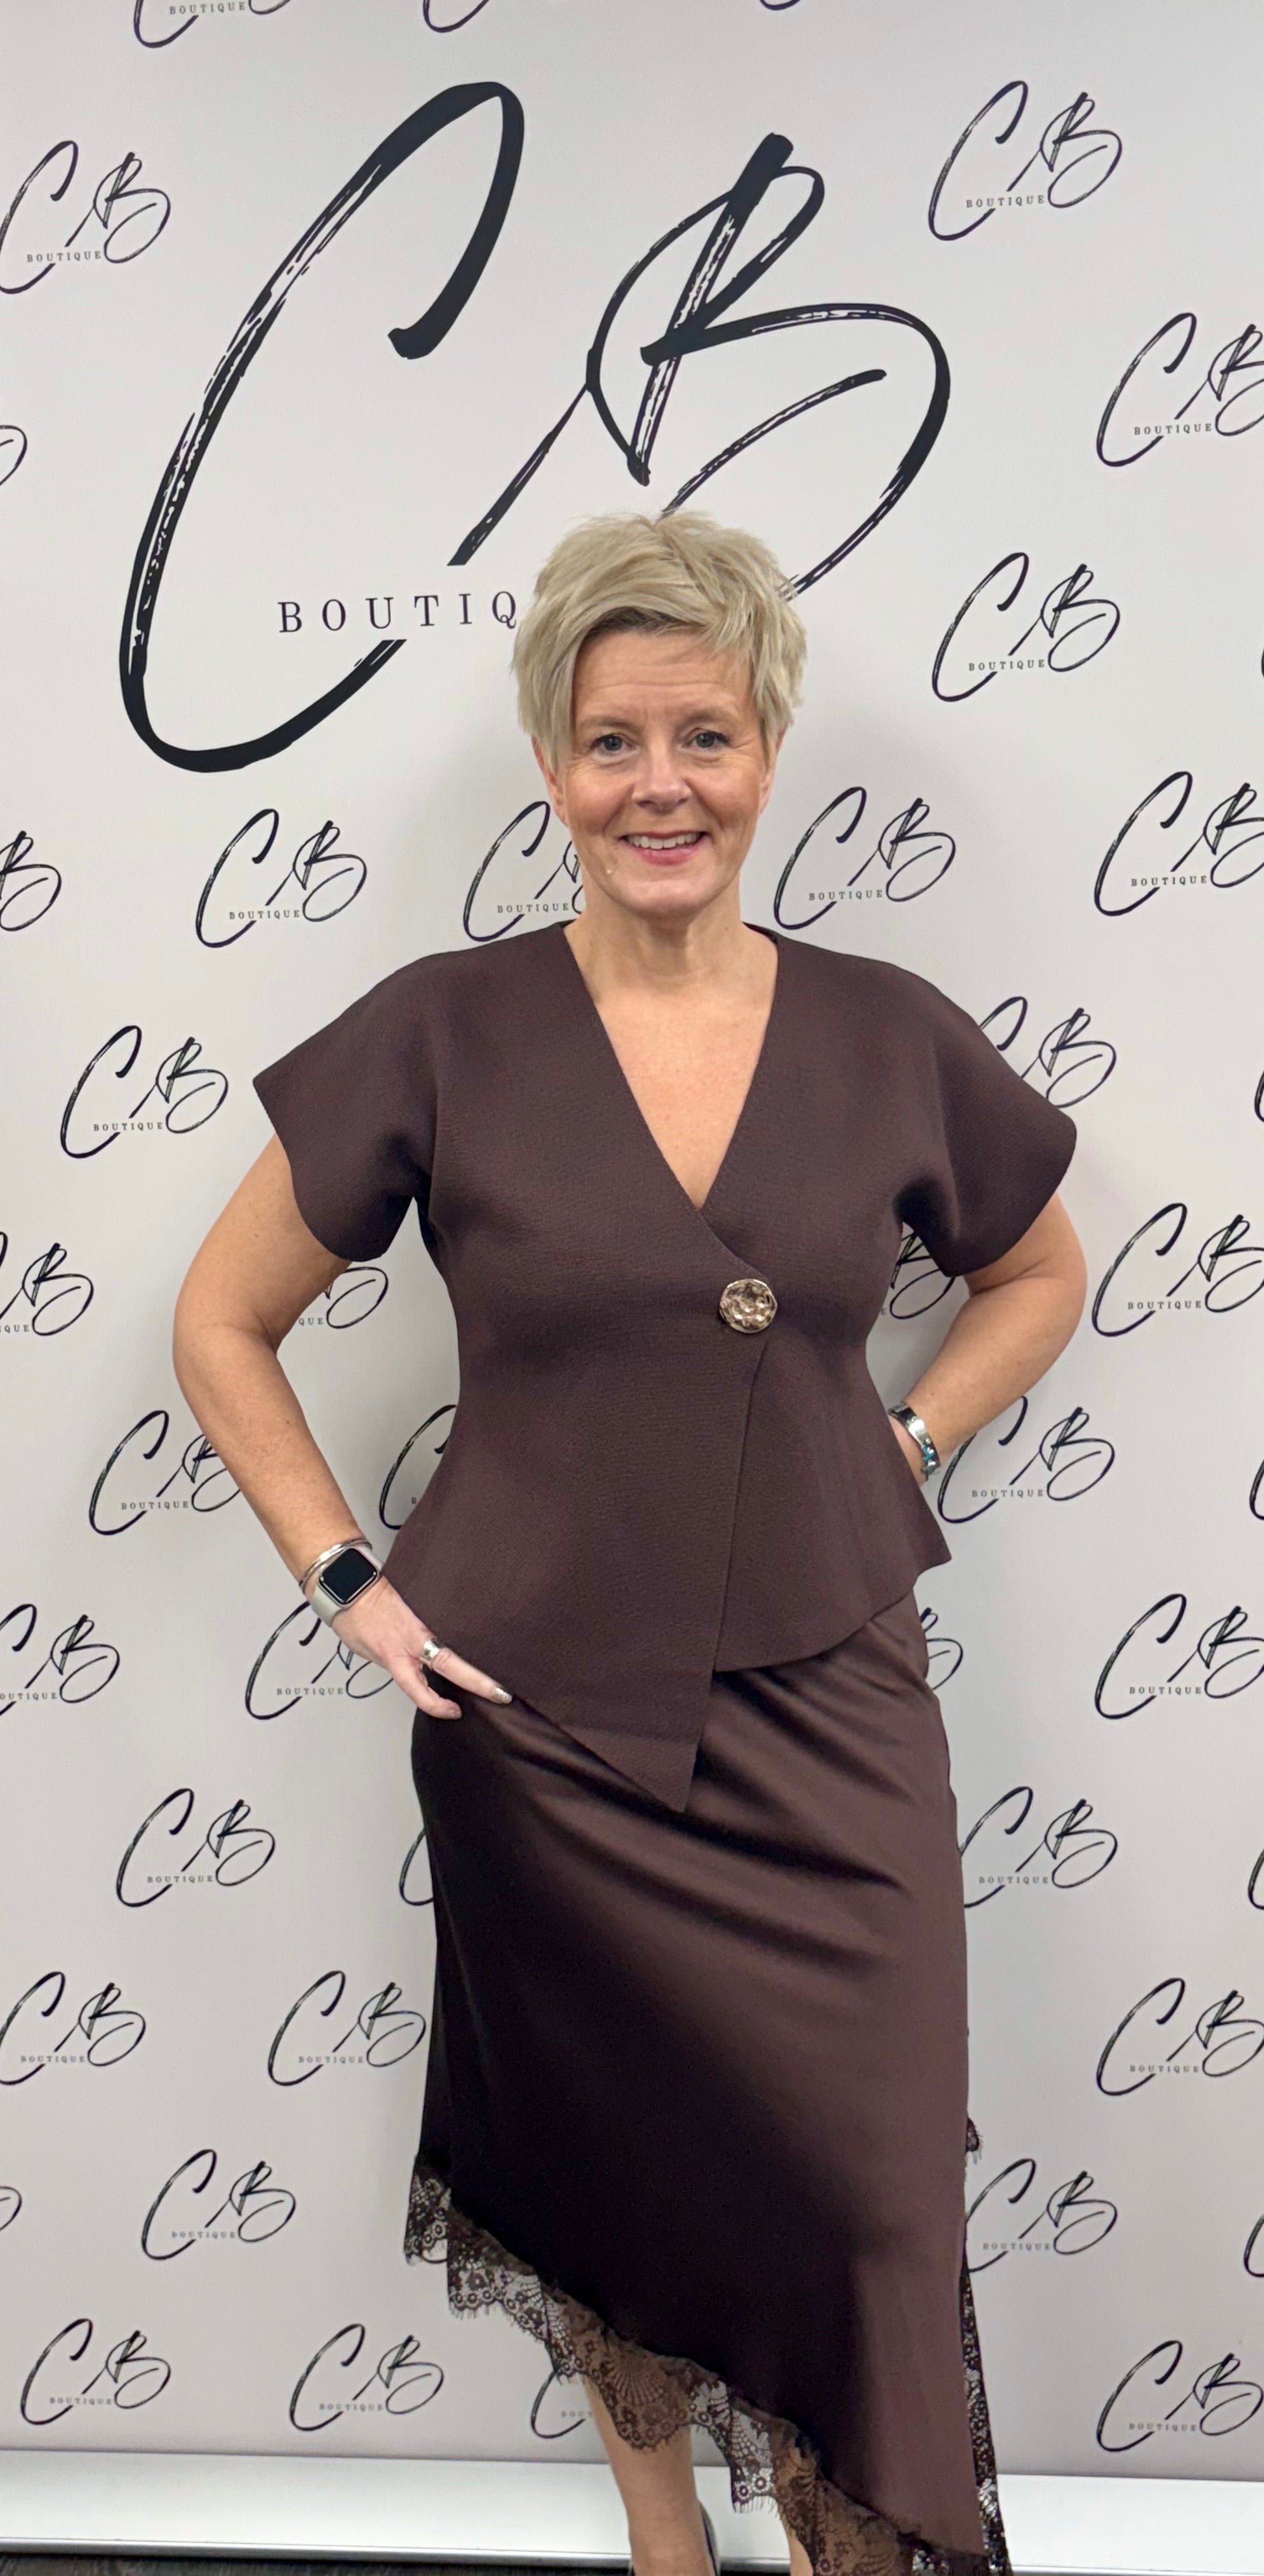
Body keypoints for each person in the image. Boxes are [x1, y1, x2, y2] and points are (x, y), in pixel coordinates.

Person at [172, 511, 1085, 2576]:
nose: (656, 786)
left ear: (765, 751)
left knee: (871, 2196)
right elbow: (221, 1323)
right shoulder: (439, 1027)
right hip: (542, 1724)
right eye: (609, 742)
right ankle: (667, 2558)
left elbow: (1038, 1269)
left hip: (831, 1705)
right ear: (551, 763)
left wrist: (904, 1434)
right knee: (613, 2172)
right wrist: (348, 1580)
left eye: (701, 736)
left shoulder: (887, 1029)